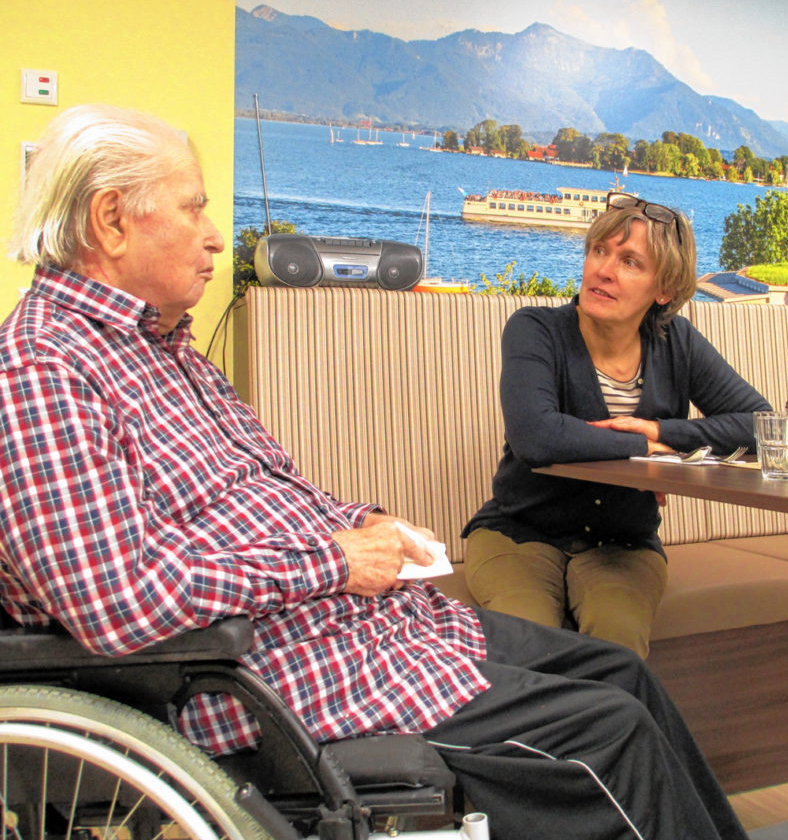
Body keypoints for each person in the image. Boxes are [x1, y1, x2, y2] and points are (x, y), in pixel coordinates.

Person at [0, 104, 749, 840]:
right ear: (110, 219)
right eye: (194, 208)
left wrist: (361, 521)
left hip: (368, 626)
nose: (215, 237)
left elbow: (274, 488)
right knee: (610, 732)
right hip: (273, 677)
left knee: (624, 677)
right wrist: (334, 560)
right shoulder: (45, 369)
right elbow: (118, 598)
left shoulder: (166, 352)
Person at [463, 195, 771, 658]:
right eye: (599, 251)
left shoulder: (677, 341)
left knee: (616, 647)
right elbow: (536, 436)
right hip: (518, 533)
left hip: (624, 545)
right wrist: (646, 449)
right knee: (529, 646)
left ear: (663, 289)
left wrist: (664, 433)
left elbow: (761, 425)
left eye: (630, 262)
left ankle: (609, 731)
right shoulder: (536, 329)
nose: (604, 270)